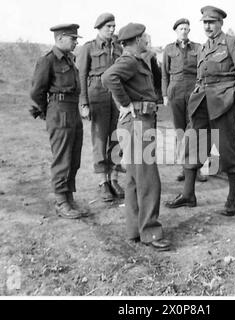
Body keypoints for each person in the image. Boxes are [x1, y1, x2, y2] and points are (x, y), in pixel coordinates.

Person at [165, 6, 235, 216]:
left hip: (224, 104)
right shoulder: (204, 48)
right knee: (192, 144)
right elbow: (201, 77)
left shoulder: (233, 43)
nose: (207, 26)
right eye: (204, 22)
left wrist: (234, 97)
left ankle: (232, 199)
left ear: (220, 23)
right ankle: (188, 194)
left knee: (227, 149)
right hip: (201, 104)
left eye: (212, 22)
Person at [102, 23, 171, 251]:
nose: (147, 41)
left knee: (133, 178)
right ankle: (150, 232)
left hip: (138, 122)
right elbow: (108, 78)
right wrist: (125, 103)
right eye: (144, 38)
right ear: (137, 39)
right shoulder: (130, 60)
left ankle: (134, 230)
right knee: (148, 179)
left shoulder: (137, 59)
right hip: (138, 122)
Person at [30, 24, 86, 219]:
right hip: (59, 111)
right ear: (60, 38)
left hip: (72, 110)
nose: (76, 42)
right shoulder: (48, 60)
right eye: (73, 38)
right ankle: (61, 201)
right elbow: (37, 91)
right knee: (62, 157)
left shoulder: (70, 59)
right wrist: (47, 110)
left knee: (74, 156)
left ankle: (69, 197)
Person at [77, 13, 124, 202]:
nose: (112, 30)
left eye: (114, 26)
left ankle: (114, 178)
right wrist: (84, 102)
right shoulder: (88, 48)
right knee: (99, 139)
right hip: (97, 95)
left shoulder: (119, 48)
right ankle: (102, 181)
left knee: (116, 138)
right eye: (108, 27)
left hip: (117, 97)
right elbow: (81, 76)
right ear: (99, 28)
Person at [162, 18, 207, 182]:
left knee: (195, 128)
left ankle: (197, 168)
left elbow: (202, 71)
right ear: (175, 30)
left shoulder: (197, 48)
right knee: (180, 130)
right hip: (175, 91)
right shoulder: (168, 49)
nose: (184, 31)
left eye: (186, 29)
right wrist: (165, 95)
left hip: (193, 91)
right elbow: (164, 75)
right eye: (181, 28)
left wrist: (201, 91)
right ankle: (184, 167)